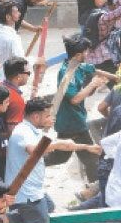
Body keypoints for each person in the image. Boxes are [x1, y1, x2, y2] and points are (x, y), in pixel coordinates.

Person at [0, 97, 99, 223]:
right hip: (25, 191)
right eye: (48, 116)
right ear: (36, 117)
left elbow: (61, 147)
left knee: (49, 208)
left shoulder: (34, 130)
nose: (51, 119)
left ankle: (7, 220)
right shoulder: (23, 131)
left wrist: (86, 147)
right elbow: (35, 150)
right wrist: (61, 142)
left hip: (35, 189)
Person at [44, 34, 108, 185]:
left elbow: (94, 70)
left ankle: (32, 161)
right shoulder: (67, 74)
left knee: (60, 157)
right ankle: (94, 190)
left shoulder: (77, 65)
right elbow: (74, 99)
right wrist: (93, 84)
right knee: (92, 160)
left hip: (71, 120)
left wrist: (117, 77)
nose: (88, 54)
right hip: (72, 121)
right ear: (78, 55)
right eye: (86, 52)